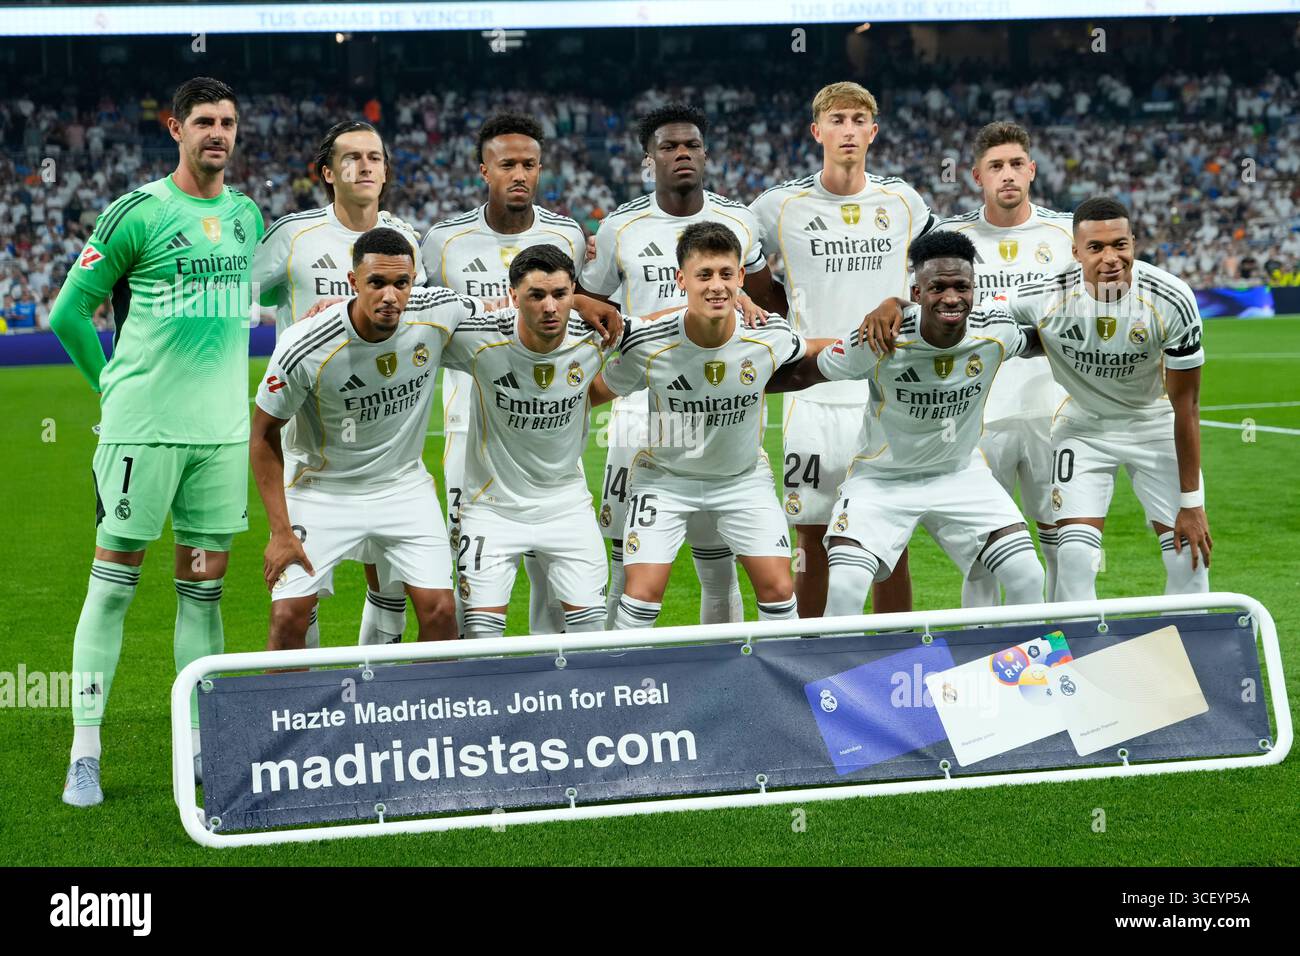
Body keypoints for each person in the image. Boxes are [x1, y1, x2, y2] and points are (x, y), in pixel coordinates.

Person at [49, 77, 263, 806]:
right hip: (144, 436)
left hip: (221, 441)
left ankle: (205, 747)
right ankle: (85, 752)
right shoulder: (136, 212)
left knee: (203, 594)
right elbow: (68, 315)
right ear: (174, 127)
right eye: (204, 120)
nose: (218, 134)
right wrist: (110, 388)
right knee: (112, 590)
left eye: (228, 122)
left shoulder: (245, 217)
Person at [862, 198, 1211, 602]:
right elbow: (955, 308)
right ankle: (1077, 660)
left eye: (1120, 244)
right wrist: (895, 304)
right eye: (1096, 248)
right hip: (1085, 430)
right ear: (1076, 251)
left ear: (1134, 243)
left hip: (1154, 426)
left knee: (1189, 558)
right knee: (1077, 556)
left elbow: (1186, 407)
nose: (1111, 258)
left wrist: (1192, 502)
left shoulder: (1172, 299)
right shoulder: (1045, 296)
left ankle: (1193, 657)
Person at [582, 103, 784, 628]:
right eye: (668, 147)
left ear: (706, 153)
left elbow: (768, 304)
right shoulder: (620, 227)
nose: (682, 154)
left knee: (717, 565)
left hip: (717, 402)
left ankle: (722, 683)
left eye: (691, 145)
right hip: (639, 402)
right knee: (625, 562)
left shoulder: (740, 220)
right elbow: (589, 304)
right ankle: (618, 678)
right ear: (649, 160)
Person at [770, 230, 1046, 613]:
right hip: (882, 481)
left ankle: (1025, 671)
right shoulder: (882, 338)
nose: (951, 298)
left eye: (961, 286)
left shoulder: (994, 332)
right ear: (917, 294)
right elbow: (807, 372)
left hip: (960, 475)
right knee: (847, 586)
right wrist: (734, 385)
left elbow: (1039, 342)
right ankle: (838, 674)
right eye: (938, 287)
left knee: (1028, 575)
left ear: (974, 289)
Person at [749, 81, 934, 620]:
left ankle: (897, 652)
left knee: (887, 535)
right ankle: (810, 654)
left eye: (858, 120)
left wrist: (901, 300)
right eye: (837, 120)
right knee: (810, 533)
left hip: (888, 391)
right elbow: (733, 260)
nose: (848, 130)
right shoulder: (778, 205)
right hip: (813, 390)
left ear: (873, 132)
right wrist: (760, 307)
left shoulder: (903, 200)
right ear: (817, 131)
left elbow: (939, 272)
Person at [250, 228, 470, 649]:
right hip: (321, 490)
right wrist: (280, 532)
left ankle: (433, 714)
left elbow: (508, 310)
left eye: (401, 283)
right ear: (353, 282)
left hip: (402, 487)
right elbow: (262, 435)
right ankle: (287, 713)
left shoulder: (437, 311)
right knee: (288, 614)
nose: (391, 295)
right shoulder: (306, 343)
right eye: (377, 283)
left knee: (442, 611)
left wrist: (585, 301)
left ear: (413, 282)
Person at [253, 120, 424, 649]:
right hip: (310, 436)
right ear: (328, 173)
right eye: (351, 158)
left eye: (374, 156)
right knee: (301, 588)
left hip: (385, 431)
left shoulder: (406, 238)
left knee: (389, 584)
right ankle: (308, 703)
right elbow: (234, 292)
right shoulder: (293, 234)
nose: (365, 166)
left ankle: (372, 695)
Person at [589, 222, 808, 630]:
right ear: (681, 279)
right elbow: (595, 392)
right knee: (640, 596)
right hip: (665, 480)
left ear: (741, 278)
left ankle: (776, 687)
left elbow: (814, 355)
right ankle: (622, 685)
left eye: (726, 274)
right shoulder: (650, 344)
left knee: (779, 591)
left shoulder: (769, 335)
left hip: (741, 480)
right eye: (704, 275)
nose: (716, 286)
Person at [422, 113, 587, 639]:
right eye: (507, 164)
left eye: (530, 164)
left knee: (554, 572)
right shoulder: (443, 242)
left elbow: (584, 316)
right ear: (483, 170)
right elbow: (419, 323)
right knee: (471, 575)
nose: (520, 173)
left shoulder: (567, 234)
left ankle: (550, 684)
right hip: (465, 429)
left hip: (545, 425)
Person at [935, 121, 1075, 605]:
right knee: (983, 552)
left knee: (1061, 541)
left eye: (1016, 164)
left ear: (1032, 170)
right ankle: (984, 654)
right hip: (978, 416)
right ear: (977, 175)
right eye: (996, 166)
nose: (1007, 174)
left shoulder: (1066, 233)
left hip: (1053, 411)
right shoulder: (952, 239)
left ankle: (1059, 648)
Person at [443, 245, 611, 639]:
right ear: (514, 295)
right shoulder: (479, 338)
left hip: (566, 507)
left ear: (575, 293)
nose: (551, 307)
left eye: (561, 295)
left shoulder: (597, 334)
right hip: (492, 509)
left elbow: (668, 328)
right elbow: (409, 325)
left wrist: (737, 299)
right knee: (480, 637)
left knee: (592, 635)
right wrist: (332, 309)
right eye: (537, 295)